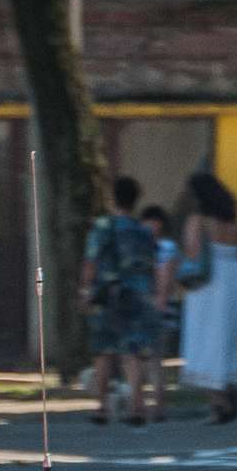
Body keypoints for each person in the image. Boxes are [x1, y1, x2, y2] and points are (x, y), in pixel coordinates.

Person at [81, 175, 162, 425]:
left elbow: (91, 261)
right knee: (132, 353)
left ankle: (102, 407)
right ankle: (138, 406)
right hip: (136, 296)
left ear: (113, 198)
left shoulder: (103, 227)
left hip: (107, 295)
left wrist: (85, 290)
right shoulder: (143, 231)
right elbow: (153, 265)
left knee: (104, 351)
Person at [177, 171, 237, 424]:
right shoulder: (235, 225)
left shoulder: (197, 221)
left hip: (210, 284)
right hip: (235, 279)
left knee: (205, 340)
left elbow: (193, 251)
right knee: (226, 340)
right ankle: (229, 388)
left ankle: (218, 402)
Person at [140, 204, 180, 420]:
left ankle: (158, 406)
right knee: (151, 360)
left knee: (154, 359)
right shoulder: (158, 246)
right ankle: (155, 403)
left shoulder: (164, 247)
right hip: (154, 306)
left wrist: (160, 302)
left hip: (158, 307)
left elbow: (165, 279)